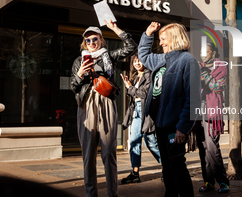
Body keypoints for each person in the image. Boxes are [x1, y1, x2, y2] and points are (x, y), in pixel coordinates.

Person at [70, 20, 137, 197]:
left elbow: (130, 46)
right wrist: (79, 74)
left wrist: (115, 29)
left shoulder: (109, 56)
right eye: (88, 40)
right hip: (86, 104)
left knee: (109, 153)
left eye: (95, 39)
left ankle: (112, 194)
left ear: (101, 39)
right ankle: (90, 194)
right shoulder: (79, 61)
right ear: (84, 43)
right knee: (88, 155)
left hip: (106, 102)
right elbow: (74, 87)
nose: (92, 43)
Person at [138, 22, 201, 197]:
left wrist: (183, 127)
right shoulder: (162, 59)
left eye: (163, 39)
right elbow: (143, 56)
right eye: (159, 40)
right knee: (166, 166)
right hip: (160, 123)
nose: (161, 43)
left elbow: (193, 98)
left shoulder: (188, 61)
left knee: (177, 165)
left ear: (174, 38)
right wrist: (148, 33)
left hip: (175, 126)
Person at [121, 52, 161, 184]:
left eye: (140, 61)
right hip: (136, 111)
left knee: (151, 142)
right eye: (135, 61)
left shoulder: (149, 74)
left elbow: (144, 93)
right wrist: (128, 86)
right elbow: (133, 95)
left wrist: (130, 87)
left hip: (146, 111)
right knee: (134, 142)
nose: (137, 63)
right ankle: (135, 172)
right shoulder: (135, 77)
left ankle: (168, 166)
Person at [196, 42, 230, 193]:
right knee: (202, 146)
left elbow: (218, 86)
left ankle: (223, 181)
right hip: (198, 110)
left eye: (206, 52)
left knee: (212, 146)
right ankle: (208, 180)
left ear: (214, 53)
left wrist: (202, 72)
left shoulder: (220, 66)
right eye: (201, 53)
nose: (203, 56)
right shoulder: (198, 66)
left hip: (212, 111)